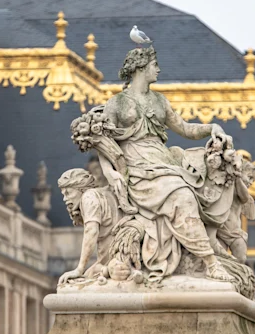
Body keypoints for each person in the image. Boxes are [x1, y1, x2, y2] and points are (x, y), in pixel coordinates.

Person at [95, 46, 233, 282]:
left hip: (162, 160)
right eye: (154, 65)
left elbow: (185, 128)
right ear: (141, 67)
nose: (158, 69)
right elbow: (103, 143)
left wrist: (212, 127)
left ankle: (209, 252)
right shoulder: (116, 103)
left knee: (196, 179)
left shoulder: (159, 100)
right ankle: (211, 262)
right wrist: (110, 173)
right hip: (137, 167)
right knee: (183, 196)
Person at [56, 169, 121, 286]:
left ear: (80, 188)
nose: (65, 199)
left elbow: (91, 230)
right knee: (90, 274)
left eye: (68, 193)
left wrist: (79, 268)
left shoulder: (89, 197)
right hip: (113, 258)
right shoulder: (105, 194)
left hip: (114, 260)